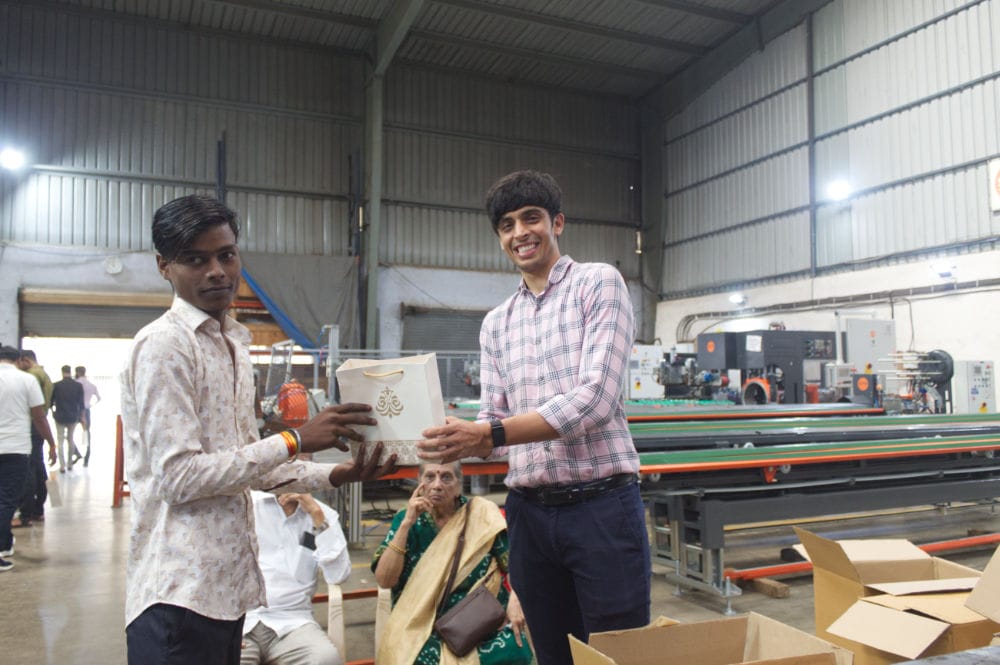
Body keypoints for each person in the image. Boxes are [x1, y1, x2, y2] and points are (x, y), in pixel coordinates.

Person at [121, 193, 398, 665]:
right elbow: (179, 478)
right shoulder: (165, 346)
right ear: (164, 266)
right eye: (196, 259)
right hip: (179, 594)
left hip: (230, 593)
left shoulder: (233, 343)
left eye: (226, 255)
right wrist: (293, 438)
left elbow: (249, 466)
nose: (217, 271)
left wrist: (338, 475)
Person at [417, 170, 650, 664]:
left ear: (557, 222)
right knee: (553, 653)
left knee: (618, 653)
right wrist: (457, 439)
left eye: (531, 218)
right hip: (529, 515)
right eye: (507, 225)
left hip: (601, 509)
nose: (520, 232)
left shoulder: (598, 284)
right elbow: (492, 423)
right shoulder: (496, 323)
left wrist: (490, 431)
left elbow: (596, 399)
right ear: (500, 238)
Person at [372, 462, 532, 665]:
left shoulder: (481, 515)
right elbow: (385, 580)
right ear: (419, 483)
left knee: (515, 648)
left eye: (446, 477)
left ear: (458, 484)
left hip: (483, 623)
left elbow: (514, 566)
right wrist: (406, 525)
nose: (437, 485)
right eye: (430, 477)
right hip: (422, 626)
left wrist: (516, 599)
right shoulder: (407, 520)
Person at [241, 490, 349, 665]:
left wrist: (318, 519)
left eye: (301, 462)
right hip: (241, 621)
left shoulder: (322, 514)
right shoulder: (243, 506)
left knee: (325, 659)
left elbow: (338, 575)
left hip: (293, 622)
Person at [0, 346, 56, 571]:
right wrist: (52, 443)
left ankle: (5, 543)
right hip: (16, 447)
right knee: (6, 500)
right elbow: (39, 417)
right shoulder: (26, 380)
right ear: (18, 360)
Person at [14, 350, 55, 527]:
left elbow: (34, 409)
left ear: (25, 360)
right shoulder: (44, 375)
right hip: (40, 425)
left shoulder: (30, 376)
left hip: (31, 424)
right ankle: (38, 510)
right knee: (38, 468)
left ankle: (26, 513)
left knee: (28, 470)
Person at [51, 365, 85, 472]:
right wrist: (82, 416)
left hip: (59, 416)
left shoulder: (56, 385)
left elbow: (51, 402)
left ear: (62, 372)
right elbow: (81, 403)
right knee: (70, 439)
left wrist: (53, 412)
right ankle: (70, 464)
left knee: (60, 440)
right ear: (70, 372)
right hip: (73, 416)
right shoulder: (78, 386)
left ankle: (62, 466)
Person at [74, 366, 101, 466]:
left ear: (77, 372)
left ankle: (76, 452)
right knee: (87, 433)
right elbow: (99, 398)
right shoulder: (91, 385)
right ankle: (87, 457)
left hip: (76, 410)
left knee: (70, 433)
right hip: (87, 409)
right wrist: (90, 405)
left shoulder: (76, 383)